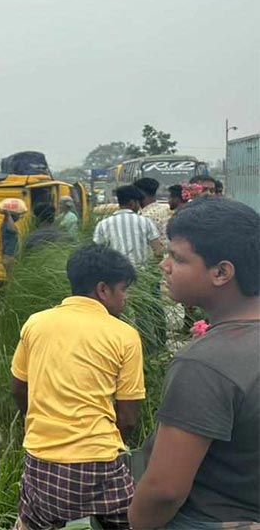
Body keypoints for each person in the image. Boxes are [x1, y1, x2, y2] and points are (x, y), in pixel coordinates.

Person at [129, 198, 259, 529]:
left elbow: (165, 491)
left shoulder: (205, 363)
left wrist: (136, 522)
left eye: (178, 258)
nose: (164, 265)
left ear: (221, 273)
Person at [11, 244, 145, 529]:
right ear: (102, 289)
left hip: (40, 462)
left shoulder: (36, 323)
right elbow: (129, 418)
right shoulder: (124, 335)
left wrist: (41, 422)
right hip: (100, 466)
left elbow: (18, 388)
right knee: (136, 521)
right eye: (123, 289)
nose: (126, 297)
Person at [93, 185, 163, 267]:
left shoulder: (103, 224)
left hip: (114, 275)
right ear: (132, 203)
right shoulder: (145, 222)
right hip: (142, 274)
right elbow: (158, 250)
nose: (139, 206)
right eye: (138, 203)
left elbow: (96, 253)